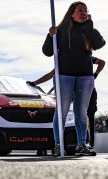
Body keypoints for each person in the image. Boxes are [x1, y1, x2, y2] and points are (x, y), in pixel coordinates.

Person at [42, 1, 105, 156]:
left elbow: (100, 44)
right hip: (64, 75)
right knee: (62, 111)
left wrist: (89, 26)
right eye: (79, 10)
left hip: (85, 76)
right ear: (72, 13)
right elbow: (47, 52)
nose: (83, 12)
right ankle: (58, 144)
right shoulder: (61, 30)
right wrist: (50, 37)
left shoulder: (88, 29)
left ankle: (82, 144)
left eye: (85, 10)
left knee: (81, 113)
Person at [27, 56, 105, 149]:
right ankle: (60, 144)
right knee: (64, 112)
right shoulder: (65, 60)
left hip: (86, 90)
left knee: (86, 115)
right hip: (70, 89)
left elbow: (102, 62)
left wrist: (95, 75)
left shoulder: (86, 57)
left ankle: (88, 144)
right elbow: (51, 74)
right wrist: (35, 83)